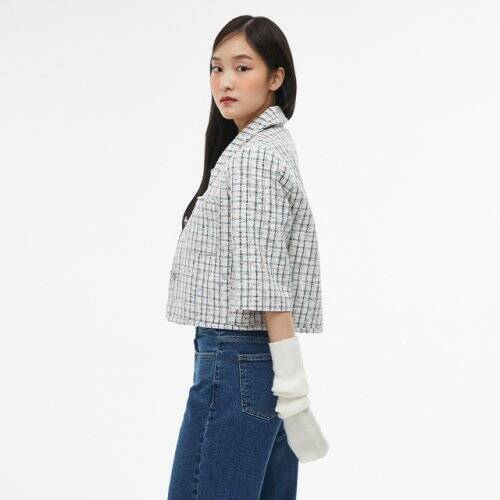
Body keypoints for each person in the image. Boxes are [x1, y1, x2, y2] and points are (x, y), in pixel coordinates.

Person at [165, 15, 330, 500]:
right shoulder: (266, 144)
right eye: (216, 68)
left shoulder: (254, 156)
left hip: (237, 356)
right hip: (256, 363)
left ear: (276, 77)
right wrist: (287, 385)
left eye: (242, 67)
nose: (225, 82)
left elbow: (265, 278)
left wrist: (294, 387)